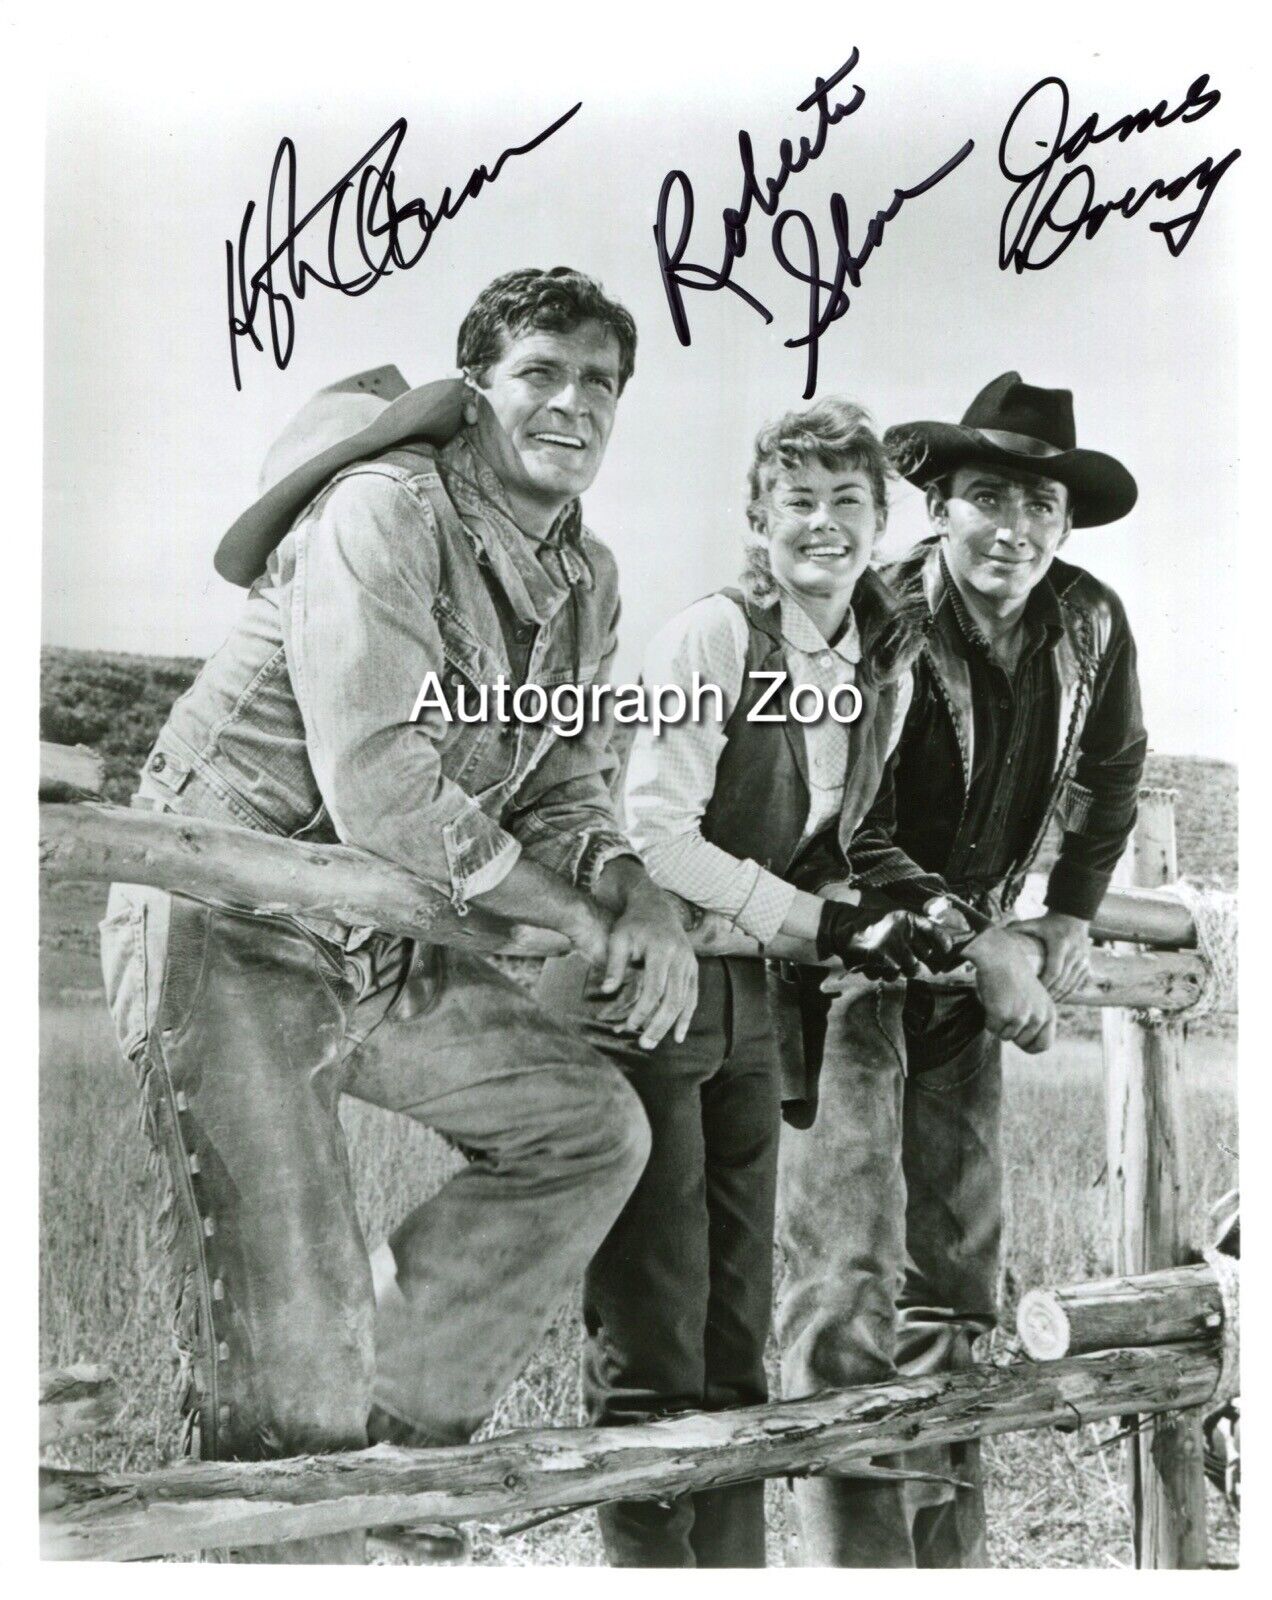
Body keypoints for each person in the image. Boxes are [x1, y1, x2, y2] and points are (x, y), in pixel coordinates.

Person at [98, 267, 697, 1563]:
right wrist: (570, 919)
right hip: (232, 921)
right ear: (475, 391)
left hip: (378, 940)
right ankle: (306, 1519)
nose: (574, 402)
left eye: (602, 381)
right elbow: (380, 778)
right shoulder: (382, 509)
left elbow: (562, 776)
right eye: (541, 371)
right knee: (289, 1367)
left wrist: (628, 883)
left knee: (585, 1127)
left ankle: (397, 1457)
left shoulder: (584, 572)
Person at [538, 397, 1048, 1567]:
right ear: (757, 520)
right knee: (653, 1338)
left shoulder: (884, 659)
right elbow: (658, 835)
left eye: (847, 503)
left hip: (756, 1007)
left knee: (736, 1334)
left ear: (880, 521)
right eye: (797, 503)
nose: (823, 526)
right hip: (649, 992)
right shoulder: (709, 639)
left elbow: (851, 836)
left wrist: (914, 913)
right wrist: (822, 922)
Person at [776, 371, 1148, 1566]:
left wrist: (1071, 917)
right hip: (849, 976)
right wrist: (983, 937)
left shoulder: (1088, 620)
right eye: (988, 497)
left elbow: (1115, 773)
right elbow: (850, 824)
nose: (1016, 529)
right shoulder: (873, 616)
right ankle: (853, 1568)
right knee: (845, 1275)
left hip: (967, 995)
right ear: (938, 503)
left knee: (955, 1276)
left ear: (1066, 521)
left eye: (1041, 504)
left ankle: (947, 1564)